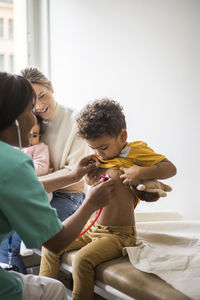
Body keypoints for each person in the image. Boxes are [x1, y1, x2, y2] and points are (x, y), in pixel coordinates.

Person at [39, 98, 177, 300]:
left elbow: (170, 168)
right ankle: (44, 294)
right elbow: (91, 183)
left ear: (122, 136)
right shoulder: (99, 157)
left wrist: (140, 171)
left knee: (82, 261)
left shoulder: (135, 152)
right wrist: (89, 177)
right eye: (92, 148)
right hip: (92, 228)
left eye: (103, 147)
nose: (98, 153)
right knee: (50, 247)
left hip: (117, 235)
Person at [0, 73, 114, 300]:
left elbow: (18, 189)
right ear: (14, 118)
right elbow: (56, 241)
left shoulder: (72, 122)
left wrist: (74, 175)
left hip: (68, 195)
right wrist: (91, 203)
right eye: (30, 111)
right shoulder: (14, 163)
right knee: (55, 289)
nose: (34, 121)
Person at [0, 66, 90, 273]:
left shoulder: (77, 121)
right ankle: (14, 274)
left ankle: (15, 275)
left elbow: (75, 175)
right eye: (32, 103)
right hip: (37, 190)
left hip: (67, 195)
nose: (39, 106)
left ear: (52, 88)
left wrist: (28, 183)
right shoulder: (27, 122)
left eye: (43, 96)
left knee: (20, 229)